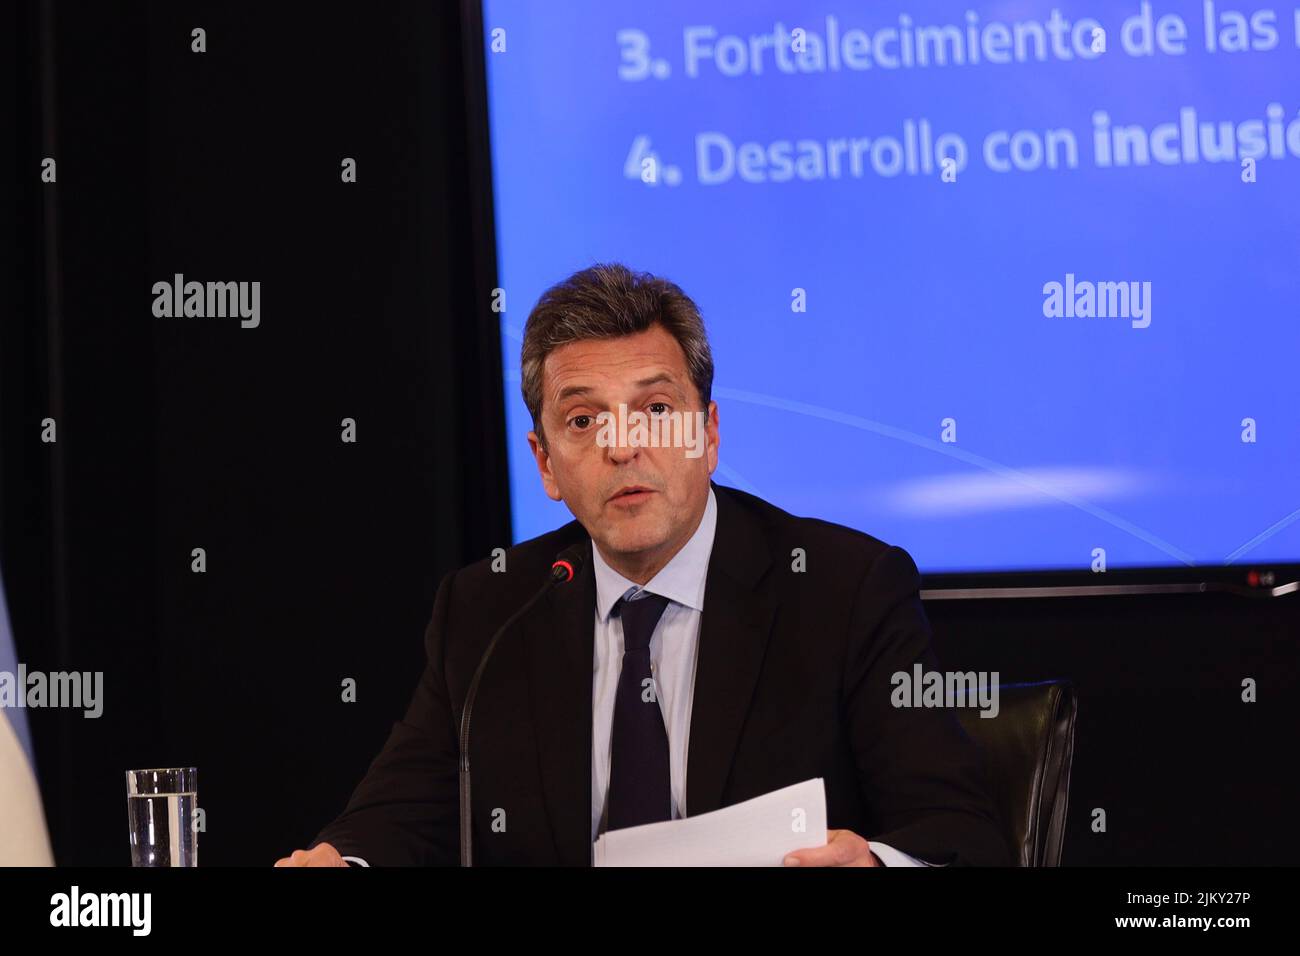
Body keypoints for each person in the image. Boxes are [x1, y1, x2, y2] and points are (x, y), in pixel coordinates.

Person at [275, 263, 1009, 867]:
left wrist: (877, 863)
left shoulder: (843, 591)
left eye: (655, 410)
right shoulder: (489, 612)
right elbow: (398, 815)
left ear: (709, 435)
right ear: (545, 464)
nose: (621, 446)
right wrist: (342, 861)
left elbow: (962, 833)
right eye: (583, 420)